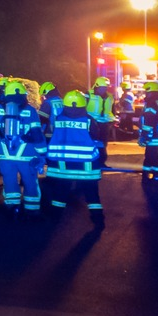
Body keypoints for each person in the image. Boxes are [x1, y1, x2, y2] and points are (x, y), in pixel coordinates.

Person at [46, 90, 105, 229]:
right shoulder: (89, 120)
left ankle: (54, 218)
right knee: (92, 194)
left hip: (62, 166)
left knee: (60, 193)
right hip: (87, 166)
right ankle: (98, 220)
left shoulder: (58, 119)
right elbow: (96, 137)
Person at [0, 81, 46, 219]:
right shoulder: (30, 110)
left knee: (9, 181)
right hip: (27, 156)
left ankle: (13, 208)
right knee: (30, 182)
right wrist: (42, 152)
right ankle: (32, 211)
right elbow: (37, 135)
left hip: (6, 156)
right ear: (24, 95)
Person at [138, 80, 158, 182]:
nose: (145, 94)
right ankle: (156, 174)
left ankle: (147, 174)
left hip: (152, 134)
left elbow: (149, 121)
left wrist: (144, 135)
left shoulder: (151, 104)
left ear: (151, 92)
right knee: (155, 154)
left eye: (147, 92)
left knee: (149, 155)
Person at [86, 76, 116, 167]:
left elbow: (112, 110)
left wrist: (112, 121)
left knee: (102, 143)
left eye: (106, 87)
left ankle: (101, 162)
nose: (104, 89)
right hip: (92, 124)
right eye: (102, 87)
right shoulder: (88, 94)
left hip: (104, 124)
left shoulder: (110, 96)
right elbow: (83, 108)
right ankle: (92, 161)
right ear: (97, 86)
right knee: (92, 143)